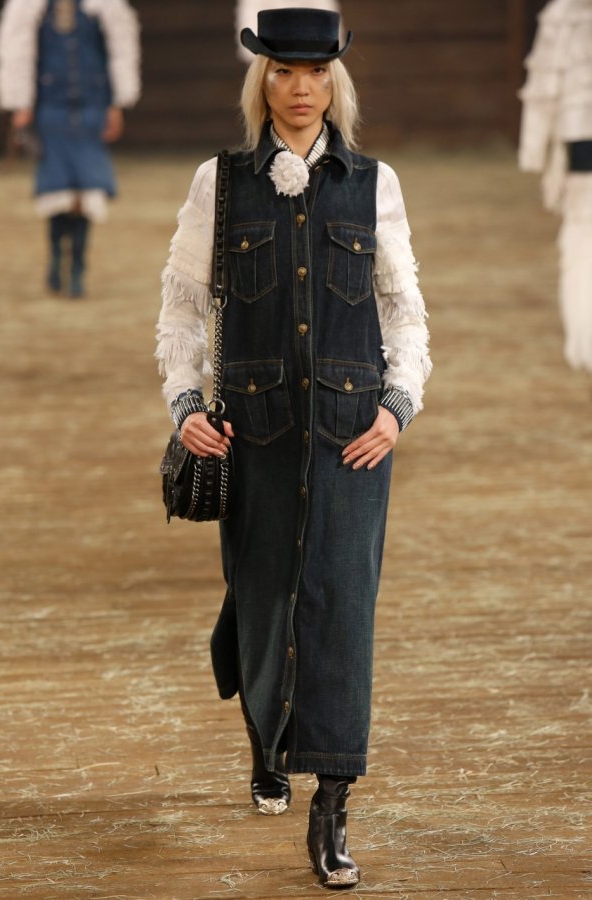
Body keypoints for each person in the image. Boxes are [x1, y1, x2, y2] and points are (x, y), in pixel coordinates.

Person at [156, 8, 431, 889]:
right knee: (264, 598)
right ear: (262, 81)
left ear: (334, 82)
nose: (300, 87)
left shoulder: (374, 184)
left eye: (315, 72)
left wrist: (397, 406)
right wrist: (185, 403)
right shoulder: (219, 183)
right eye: (283, 70)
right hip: (256, 433)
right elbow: (181, 309)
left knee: (341, 609)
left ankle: (331, 802)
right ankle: (266, 737)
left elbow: (402, 313)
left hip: (354, 439)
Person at [0, 0, 140, 298]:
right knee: (56, 189)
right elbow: (20, 53)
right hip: (51, 112)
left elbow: (119, 51)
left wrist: (115, 104)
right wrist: (21, 104)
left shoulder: (102, 9)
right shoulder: (33, 10)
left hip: (91, 111)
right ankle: (56, 259)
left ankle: (77, 269)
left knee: (87, 191)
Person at [519, 0, 592, 372]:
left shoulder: (563, 13)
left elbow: (543, 92)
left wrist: (535, 152)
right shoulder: (563, 14)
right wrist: (535, 152)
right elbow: (543, 89)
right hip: (581, 151)